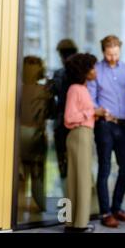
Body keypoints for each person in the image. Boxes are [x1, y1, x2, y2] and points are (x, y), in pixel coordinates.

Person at [87, 35, 125, 228]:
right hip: (104, 125)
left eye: (116, 53)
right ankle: (105, 212)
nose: (112, 57)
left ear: (120, 50)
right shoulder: (96, 71)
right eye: (109, 54)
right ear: (103, 52)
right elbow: (90, 99)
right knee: (105, 169)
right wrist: (99, 110)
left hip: (123, 125)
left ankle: (117, 208)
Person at [63, 53, 102, 233]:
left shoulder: (83, 88)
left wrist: (94, 112)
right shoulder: (75, 89)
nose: (95, 71)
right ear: (84, 70)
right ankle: (78, 225)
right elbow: (69, 118)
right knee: (81, 181)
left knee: (77, 180)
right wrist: (91, 113)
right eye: (92, 67)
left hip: (83, 135)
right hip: (79, 135)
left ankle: (72, 224)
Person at [19, 56, 54, 213]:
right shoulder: (44, 91)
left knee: (18, 176)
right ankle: (40, 207)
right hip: (36, 136)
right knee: (37, 175)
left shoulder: (15, 89)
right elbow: (52, 113)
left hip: (16, 136)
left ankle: (14, 209)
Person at [50, 39, 78, 181]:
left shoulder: (63, 74)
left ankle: (68, 197)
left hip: (66, 121)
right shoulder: (77, 74)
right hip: (69, 122)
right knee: (71, 163)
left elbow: (51, 93)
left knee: (66, 163)